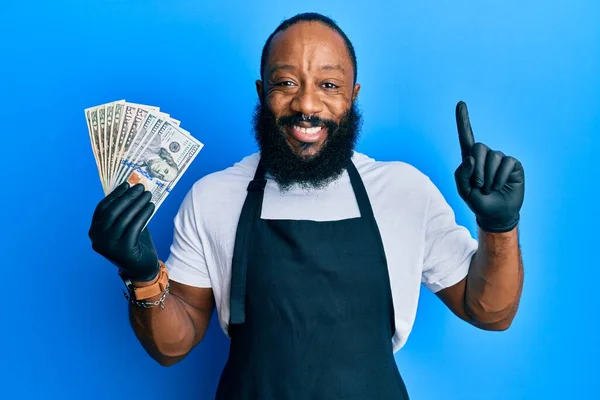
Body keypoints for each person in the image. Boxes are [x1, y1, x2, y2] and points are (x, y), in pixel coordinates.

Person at [88, 12, 525, 400]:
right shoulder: (213, 196)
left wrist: (498, 225)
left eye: (329, 85)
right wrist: (142, 275)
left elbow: (488, 312)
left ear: (352, 95)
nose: (307, 105)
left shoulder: (404, 191)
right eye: (286, 83)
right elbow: (173, 346)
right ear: (262, 92)